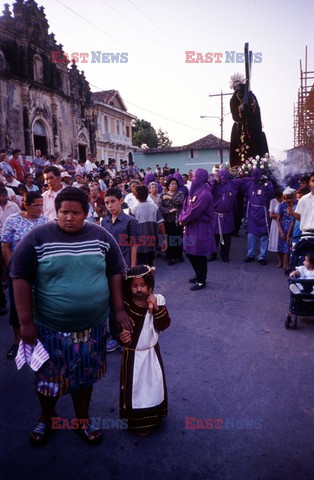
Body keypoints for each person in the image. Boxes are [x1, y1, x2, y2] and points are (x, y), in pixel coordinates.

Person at [10, 187, 133, 446]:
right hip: (49, 329)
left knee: (84, 378)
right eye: (64, 212)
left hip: (93, 328)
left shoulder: (101, 236)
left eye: (75, 213)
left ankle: (81, 421)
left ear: (86, 213)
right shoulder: (37, 237)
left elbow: (115, 272)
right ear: (57, 212)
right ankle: (47, 417)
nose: (69, 217)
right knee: (47, 380)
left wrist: (119, 309)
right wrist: (25, 323)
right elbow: (19, 277)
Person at [119, 265, 170, 436]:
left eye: (142, 285)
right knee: (136, 392)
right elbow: (117, 328)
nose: (139, 289)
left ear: (150, 286)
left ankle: (155, 415)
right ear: (129, 287)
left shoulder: (158, 300)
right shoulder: (125, 305)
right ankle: (138, 423)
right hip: (133, 356)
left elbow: (164, 325)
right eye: (134, 286)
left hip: (152, 354)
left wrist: (156, 308)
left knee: (154, 387)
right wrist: (121, 337)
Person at [1, 191, 48, 359]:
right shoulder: (12, 220)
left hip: (39, 271)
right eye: (37, 206)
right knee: (17, 307)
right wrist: (11, 266)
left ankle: (39, 339)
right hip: (18, 272)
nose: (40, 209)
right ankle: (17, 340)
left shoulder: (44, 222)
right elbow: (5, 245)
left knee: (40, 304)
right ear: (26, 205)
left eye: (42, 205)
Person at [102, 187, 141, 352]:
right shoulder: (104, 222)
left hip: (124, 267)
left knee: (126, 303)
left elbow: (134, 245)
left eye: (113, 202)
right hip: (107, 269)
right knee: (112, 303)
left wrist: (132, 269)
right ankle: (115, 336)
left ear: (120, 201)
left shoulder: (130, 221)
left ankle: (129, 334)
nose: (110, 206)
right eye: (106, 203)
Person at [179, 168, 216, 291]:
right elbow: (185, 206)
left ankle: (201, 280)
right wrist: (182, 217)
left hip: (201, 227)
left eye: (195, 177)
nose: (193, 179)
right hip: (190, 226)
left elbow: (196, 210)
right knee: (189, 252)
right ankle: (197, 273)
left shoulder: (205, 193)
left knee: (199, 254)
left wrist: (184, 219)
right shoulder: (192, 191)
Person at [229, 74, 268, 167]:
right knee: (238, 150)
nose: (238, 88)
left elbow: (255, 111)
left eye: (239, 85)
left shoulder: (250, 96)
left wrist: (250, 106)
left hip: (252, 127)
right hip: (238, 129)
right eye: (236, 86)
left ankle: (257, 165)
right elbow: (235, 116)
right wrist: (240, 110)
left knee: (255, 146)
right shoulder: (233, 100)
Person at [243, 168, 273, 265]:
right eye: (253, 175)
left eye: (256, 175)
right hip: (252, 212)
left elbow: (270, 194)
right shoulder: (249, 184)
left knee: (264, 235)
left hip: (263, 212)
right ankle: (250, 255)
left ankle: (262, 256)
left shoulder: (267, 184)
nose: (254, 177)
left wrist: (267, 182)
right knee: (251, 235)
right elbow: (245, 195)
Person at [131, 185, 167, 266]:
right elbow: (161, 224)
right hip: (152, 241)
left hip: (139, 244)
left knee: (142, 265)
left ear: (135, 196)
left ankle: (145, 277)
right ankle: (151, 277)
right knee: (151, 263)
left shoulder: (133, 209)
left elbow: (131, 228)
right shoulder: (154, 207)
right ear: (147, 194)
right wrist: (164, 238)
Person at [208, 169, 238, 263]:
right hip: (216, 216)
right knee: (214, 237)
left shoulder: (232, 185)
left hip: (227, 215)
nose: (222, 178)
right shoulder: (215, 186)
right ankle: (213, 254)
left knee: (227, 237)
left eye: (224, 176)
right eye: (221, 176)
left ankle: (225, 255)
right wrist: (214, 182)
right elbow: (209, 191)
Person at [159, 178, 184, 265]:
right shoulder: (162, 195)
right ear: (168, 186)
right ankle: (171, 257)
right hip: (168, 220)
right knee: (170, 238)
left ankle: (179, 255)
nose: (174, 185)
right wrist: (169, 211)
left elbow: (180, 202)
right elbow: (160, 207)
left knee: (178, 237)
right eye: (172, 184)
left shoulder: (180, 193)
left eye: (175, 184)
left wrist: (169, 197)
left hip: (178, 219)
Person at [277, 188, 296, 275]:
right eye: (285, 198)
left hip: (293, 227)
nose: (286, 200)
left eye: (288, 198)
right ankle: (287, 267)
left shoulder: (296, 204)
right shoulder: (281, 205)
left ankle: (292, 266)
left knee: (291, 247)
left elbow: (293, 220)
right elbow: (278, 219)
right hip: (284, 227)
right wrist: (281, 232)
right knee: (285, 248)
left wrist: (288, 234)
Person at [268, 189, 283, 266]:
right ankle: (279, 261)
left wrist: (278, 216)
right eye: (278, 198)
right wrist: (280, 216)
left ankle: (284, 261)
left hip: (283, 223)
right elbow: (271, 215)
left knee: (283, 242)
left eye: (280, 198)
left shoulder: (285, 201)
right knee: (275, 241)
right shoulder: (273, 201)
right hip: (275, 224)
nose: (279, 199)